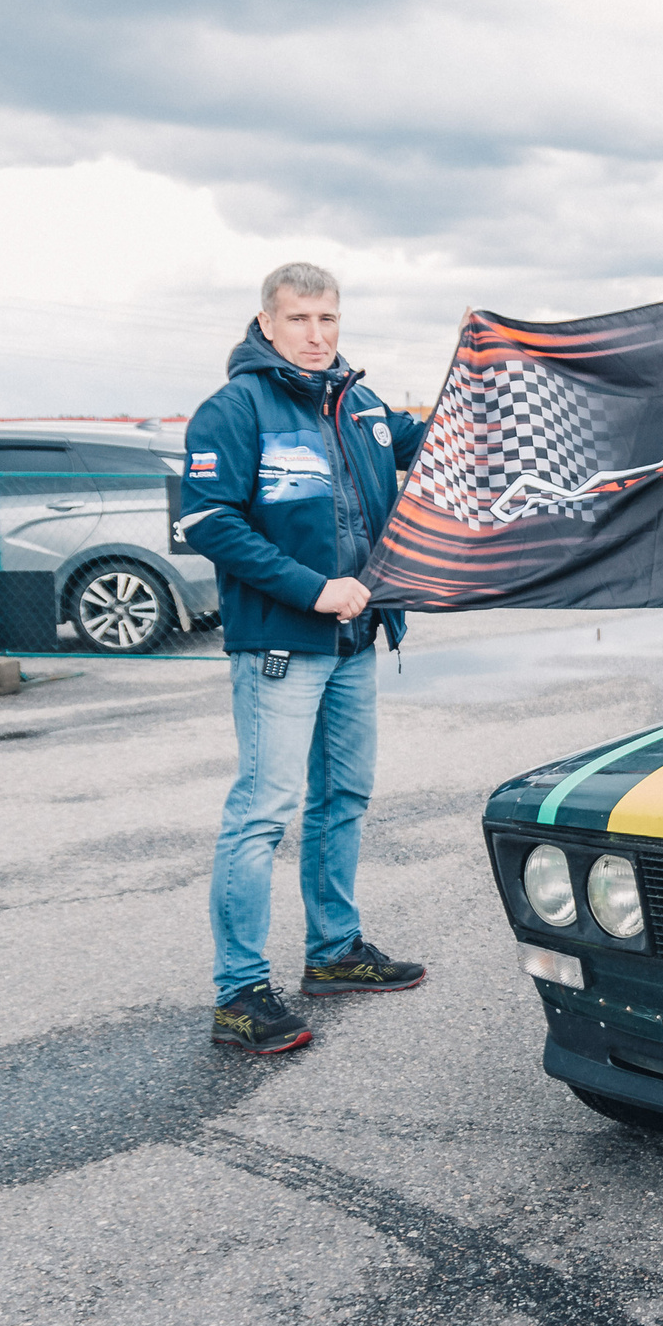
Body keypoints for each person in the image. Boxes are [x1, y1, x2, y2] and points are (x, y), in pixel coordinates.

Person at [181, 263, 429, 1054]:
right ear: (266, 321)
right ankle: (239, 992)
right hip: (282, 646)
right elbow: (209, 521)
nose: (318, 335)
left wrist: (477, 373)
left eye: (329, 318)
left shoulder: (359, 403)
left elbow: (433, 451)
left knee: (343, 798)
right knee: (262, 812)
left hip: (357, 642)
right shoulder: (234, 408)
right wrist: (313, 589)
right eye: (300, 320)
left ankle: (334, 951)